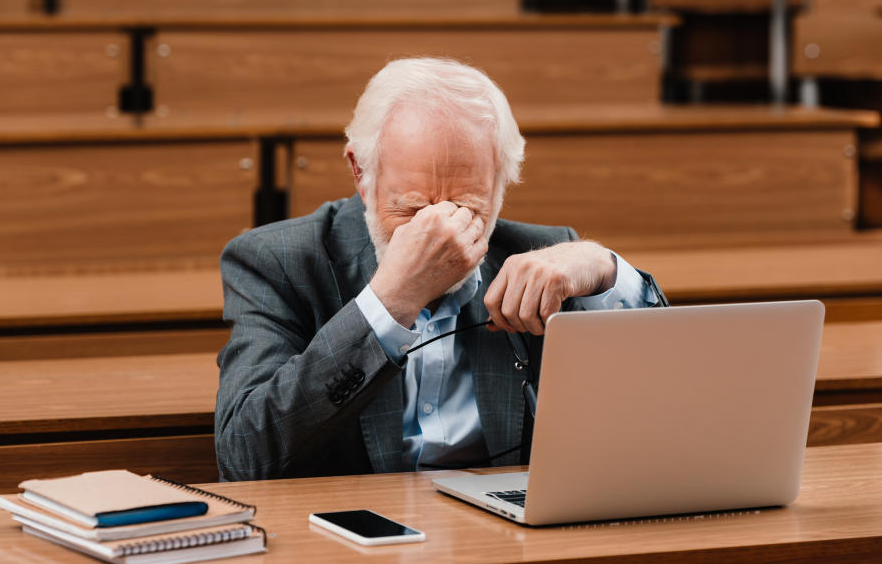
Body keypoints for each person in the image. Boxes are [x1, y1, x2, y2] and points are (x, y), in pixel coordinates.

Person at [215, 58, 664, 481]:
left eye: (468, 209)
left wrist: (604, 269)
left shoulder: (544, 259)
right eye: (413, 210)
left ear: (501, 183)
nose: (442, 235)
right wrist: (390, 302)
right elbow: (245, 456)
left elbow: (667, 404)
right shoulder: (277, 261)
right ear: (360, 172)